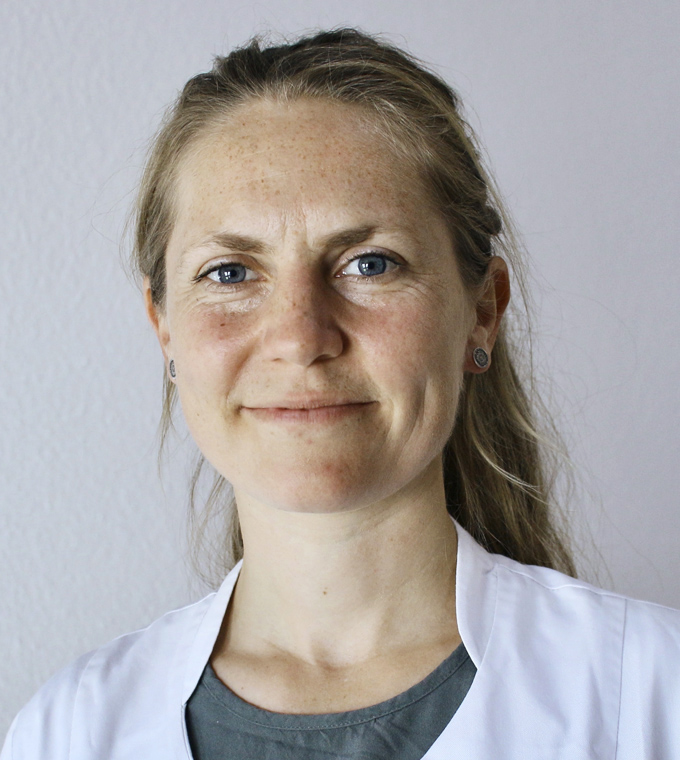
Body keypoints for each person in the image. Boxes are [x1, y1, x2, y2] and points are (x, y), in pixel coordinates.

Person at [2, 28, 679, 760]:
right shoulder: (68, 733)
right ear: (164, 327)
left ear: (482, 310)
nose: (300, 337)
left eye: (370, 263)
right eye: (230, 273)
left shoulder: (653, 695)